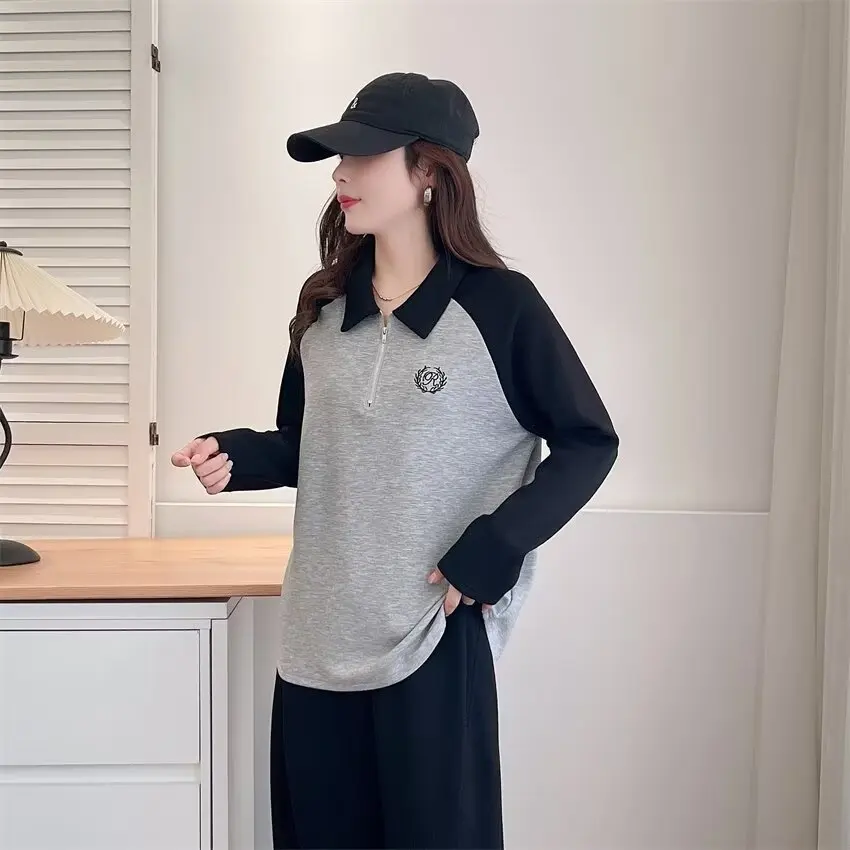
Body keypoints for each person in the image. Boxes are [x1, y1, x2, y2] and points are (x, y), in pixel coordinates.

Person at [172, 72, 619, 850]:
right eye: (338, 158)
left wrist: (496, 546)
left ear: (429, 173)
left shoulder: (502, 307)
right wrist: (235, 456)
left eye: (363, 156)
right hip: (315, 642)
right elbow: (304, 442)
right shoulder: (323, 308)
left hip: (430, 635)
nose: (340, 175)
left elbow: (590, 441)